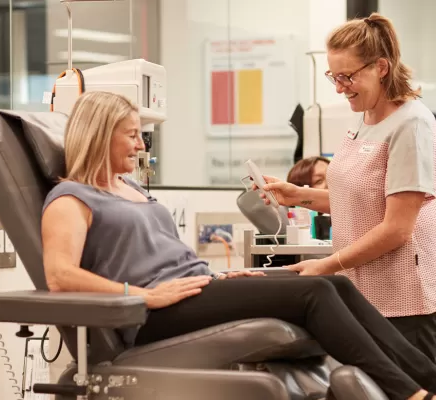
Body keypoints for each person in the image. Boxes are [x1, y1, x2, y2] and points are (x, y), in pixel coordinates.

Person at [41, 90, 436, 400]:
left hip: (196, 288)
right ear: (98, 135)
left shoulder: (128, 188)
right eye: (131, 135)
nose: (141, 147)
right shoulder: (72, 197)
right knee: (314, 290)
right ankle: (409, 394)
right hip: (154, 312)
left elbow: (164, 256)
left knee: (338, 284)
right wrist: (143, 296)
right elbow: (59, 277)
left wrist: (223, 278)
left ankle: (426, 380)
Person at [258, 12, 436, 364]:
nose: (340, 88)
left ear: (381, 68)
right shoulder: (365, 119)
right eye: (333, 77)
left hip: (405, 297)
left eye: (347, 77)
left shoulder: (411, 124)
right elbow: (360, 200)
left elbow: (397, 227)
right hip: (364, 289)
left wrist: (328, 265)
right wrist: (298, 195)